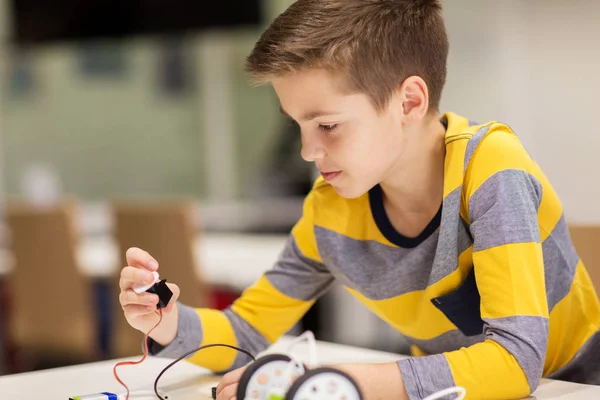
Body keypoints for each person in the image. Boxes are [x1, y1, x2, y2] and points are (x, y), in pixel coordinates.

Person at [118, 1, 600, 399]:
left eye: (327, 125)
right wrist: (167, 321)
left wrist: (340, 383)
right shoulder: (332, 208)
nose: (308, 151)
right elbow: (244, 333)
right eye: (298, 127)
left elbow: (517, 364)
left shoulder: (492, 169)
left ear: (409, 102)